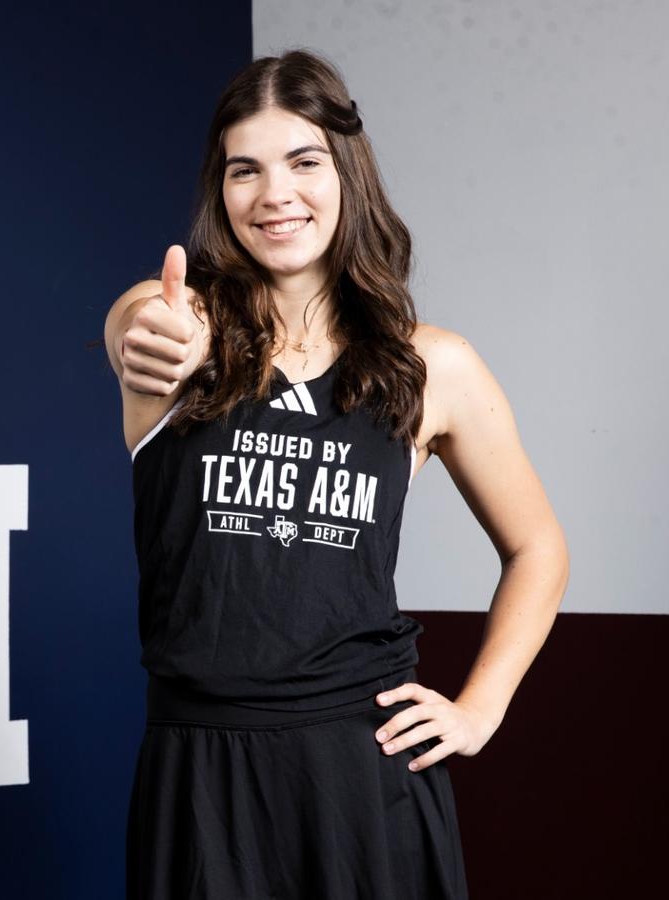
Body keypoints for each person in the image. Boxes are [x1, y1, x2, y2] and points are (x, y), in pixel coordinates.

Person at [104, 49, 569, 899]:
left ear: (347, 173)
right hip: (201, 770)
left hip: (366, 771)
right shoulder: (177, 323)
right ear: (221, 192)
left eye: (303, 162)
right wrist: (152, 337)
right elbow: (137, 324)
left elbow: (538, 548)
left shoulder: (433, 365)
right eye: (245, 170)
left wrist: (479, 710)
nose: (275, 194)